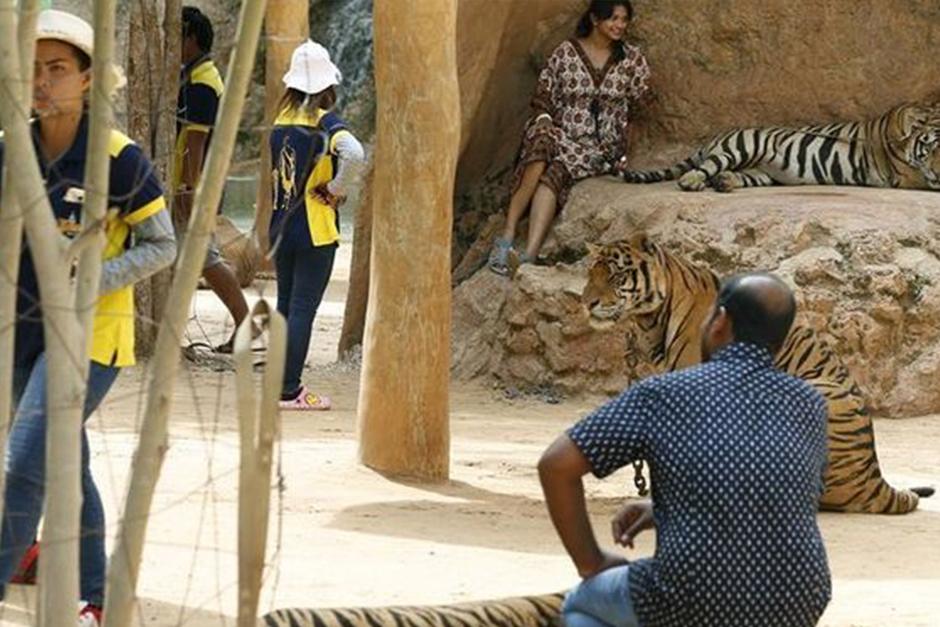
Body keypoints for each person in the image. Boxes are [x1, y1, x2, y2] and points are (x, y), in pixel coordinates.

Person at [0, 10, 176, 626]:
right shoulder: (12, 148)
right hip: (18, 334)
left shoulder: (117, 158)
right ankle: (96, 593)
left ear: (89, 78)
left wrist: (86, 281)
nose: (44, 82)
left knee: (25, 462)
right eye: (34, 70)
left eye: (57, 69)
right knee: (61, 460)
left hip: (89, 336)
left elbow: (164, 245)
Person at [538, 273, 832, 626]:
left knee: (581, 605)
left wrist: (592, 562)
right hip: (799, 600)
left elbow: (556, 465)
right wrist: (665, 505)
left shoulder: (666, 393)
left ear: (720, 321)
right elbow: (775, 487)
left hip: (690, 595)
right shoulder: (810, 404)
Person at [489, 0, 651, 275]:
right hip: (562, 131)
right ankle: (507, 235)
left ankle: (528, 255)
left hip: (598, 146)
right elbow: (544, 94)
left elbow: (639, 106)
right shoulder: (566, 52)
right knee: (542, 146)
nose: (619, 25)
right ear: (595, 19)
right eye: (613, 18)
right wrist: (543, 119)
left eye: (624, 20)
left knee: (555, 171)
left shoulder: (631, 59)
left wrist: (624, 149)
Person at [269, 41, 365, 410]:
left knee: (284, 307)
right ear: (326, 85)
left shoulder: (281, 121)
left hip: (279, 226)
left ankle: (278, 384)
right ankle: (290, 391)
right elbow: (355, 153)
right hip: (314, 228)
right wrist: (336, 189)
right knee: (303, 308)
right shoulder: (325, 122)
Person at [175, 5, 250, 353]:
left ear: (191, 38)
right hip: (191, 183)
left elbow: (196, 139)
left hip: (194, 185)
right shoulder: (193, 74)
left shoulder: (202, 81)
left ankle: (248, 325)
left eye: (177, 36)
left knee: (205, 257)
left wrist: (190, 189)